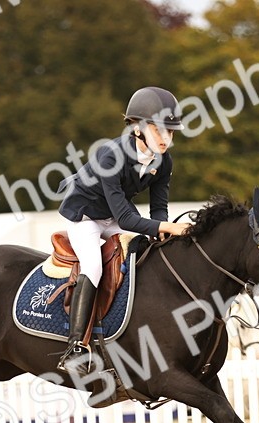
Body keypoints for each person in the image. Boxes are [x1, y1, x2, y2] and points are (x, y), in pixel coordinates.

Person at [55, 87, 191, 375]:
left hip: (114, 215)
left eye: (170, 132)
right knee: (93, 266)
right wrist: (169, 227)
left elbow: (159, 207)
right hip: (85, 215)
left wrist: (162, 231)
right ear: (138, 128)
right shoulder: (111, 156)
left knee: (145, 252)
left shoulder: (164, 161)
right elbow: (127, 219)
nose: (166, 138)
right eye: (158, 130)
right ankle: (75, 346)